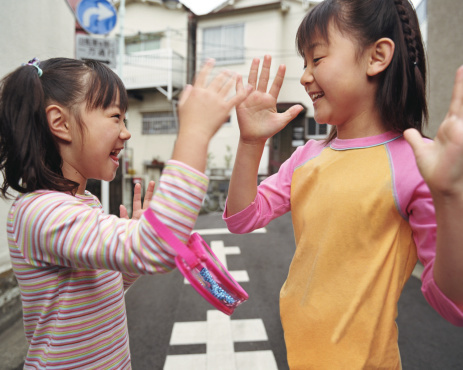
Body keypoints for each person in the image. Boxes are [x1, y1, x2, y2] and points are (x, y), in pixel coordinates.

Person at [224, 0, 463, 368]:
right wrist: (251, 143)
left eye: (316, 59)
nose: (304, 76)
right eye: (303, 62)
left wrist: (450, 199)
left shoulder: (417, 164)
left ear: (377, 57)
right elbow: (242, 218)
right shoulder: (306, 157)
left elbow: (451, 304)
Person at [0, 57, 249, 369]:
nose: (125, 133)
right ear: (60, 123)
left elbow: (98, 295)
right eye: (116, 117)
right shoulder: (39, 211)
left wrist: (130, 260)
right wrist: (195, 133)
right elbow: (157, 249)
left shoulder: (83, 202)